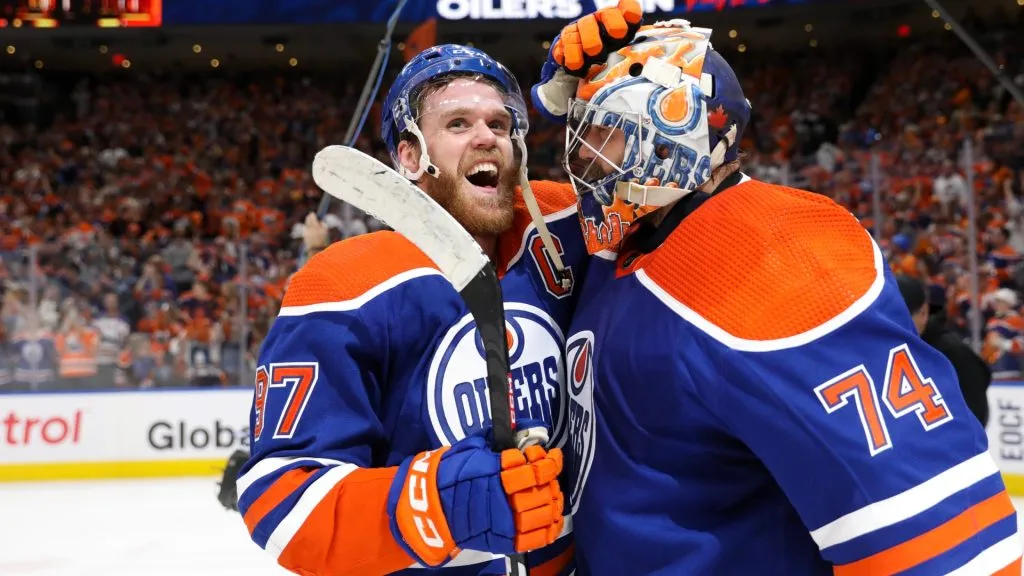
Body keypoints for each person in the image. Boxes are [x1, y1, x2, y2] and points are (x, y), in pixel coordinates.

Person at [530, 16, 1022, 575]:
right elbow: (480, 215)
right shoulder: (618, 244)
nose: (585, 156)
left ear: (675, 126)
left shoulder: (774, 252)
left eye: (603, 131)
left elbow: (941, 546)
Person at [235, 43, 590, 576]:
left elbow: (671, 204)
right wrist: (441, 502)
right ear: (409, 155)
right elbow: (281, 504)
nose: (485, 136)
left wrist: (613, 77)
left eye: (499, 122)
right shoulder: (346, 284)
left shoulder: (562, 227)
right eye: (458, 123)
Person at [896, 274, 991, 426]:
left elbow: (975, 419)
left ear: (923, 313)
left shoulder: (953, 354)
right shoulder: (883, 348)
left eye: (900, 319)